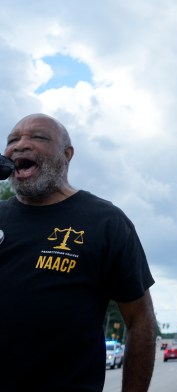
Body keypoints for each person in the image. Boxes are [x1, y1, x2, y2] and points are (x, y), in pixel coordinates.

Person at [0, 113, 157, 392]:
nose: (20, 145)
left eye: (38, 137)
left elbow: (140, 319)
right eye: (12, 140)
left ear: (67, 154)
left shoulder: (106, 222)